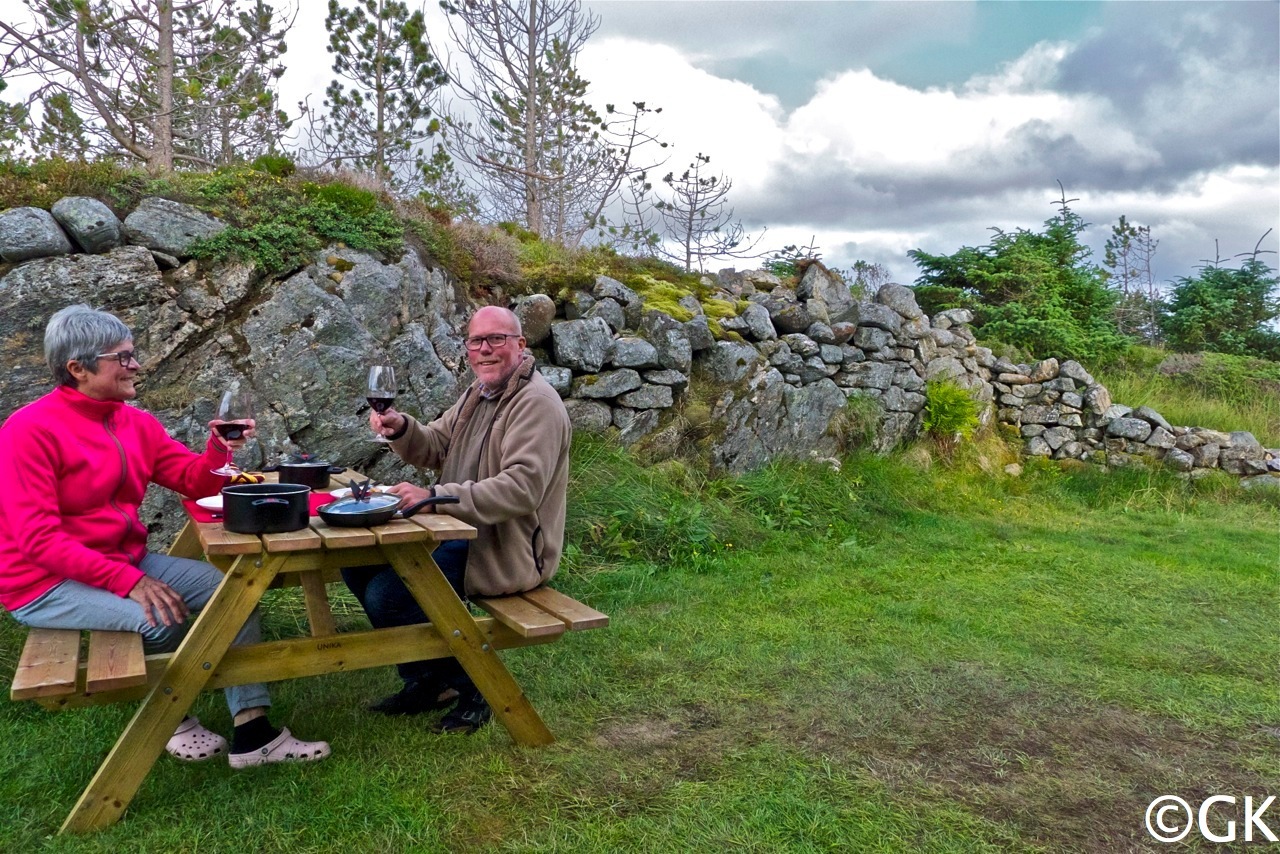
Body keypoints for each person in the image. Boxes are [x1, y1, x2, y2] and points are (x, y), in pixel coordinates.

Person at [0, 305, 330, 768]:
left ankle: (253, 733)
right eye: (123, 357)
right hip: (42, 584)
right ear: (77, 368)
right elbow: (38, 541)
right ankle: (175, 720)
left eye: (133, 354)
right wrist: (130, 583)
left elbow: (194, 481)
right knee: (161, 620)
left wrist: (219, 448)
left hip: (120, 561)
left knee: (233, 591)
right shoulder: (27, 431)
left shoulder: (134, 423)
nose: (136, 365)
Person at [342, 305, 571, 733]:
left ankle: (475, 687)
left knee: (389, 595)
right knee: (358, 565)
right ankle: (426, 681)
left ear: (521, 345)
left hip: (505, 549)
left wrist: (433, 497)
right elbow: (434, 445)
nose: (484, 349)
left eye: (496, 339)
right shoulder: (478, 394)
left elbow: (522, 488)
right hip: (458, 532)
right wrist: (400, 427)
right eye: (475, 341)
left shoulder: (535, 403)